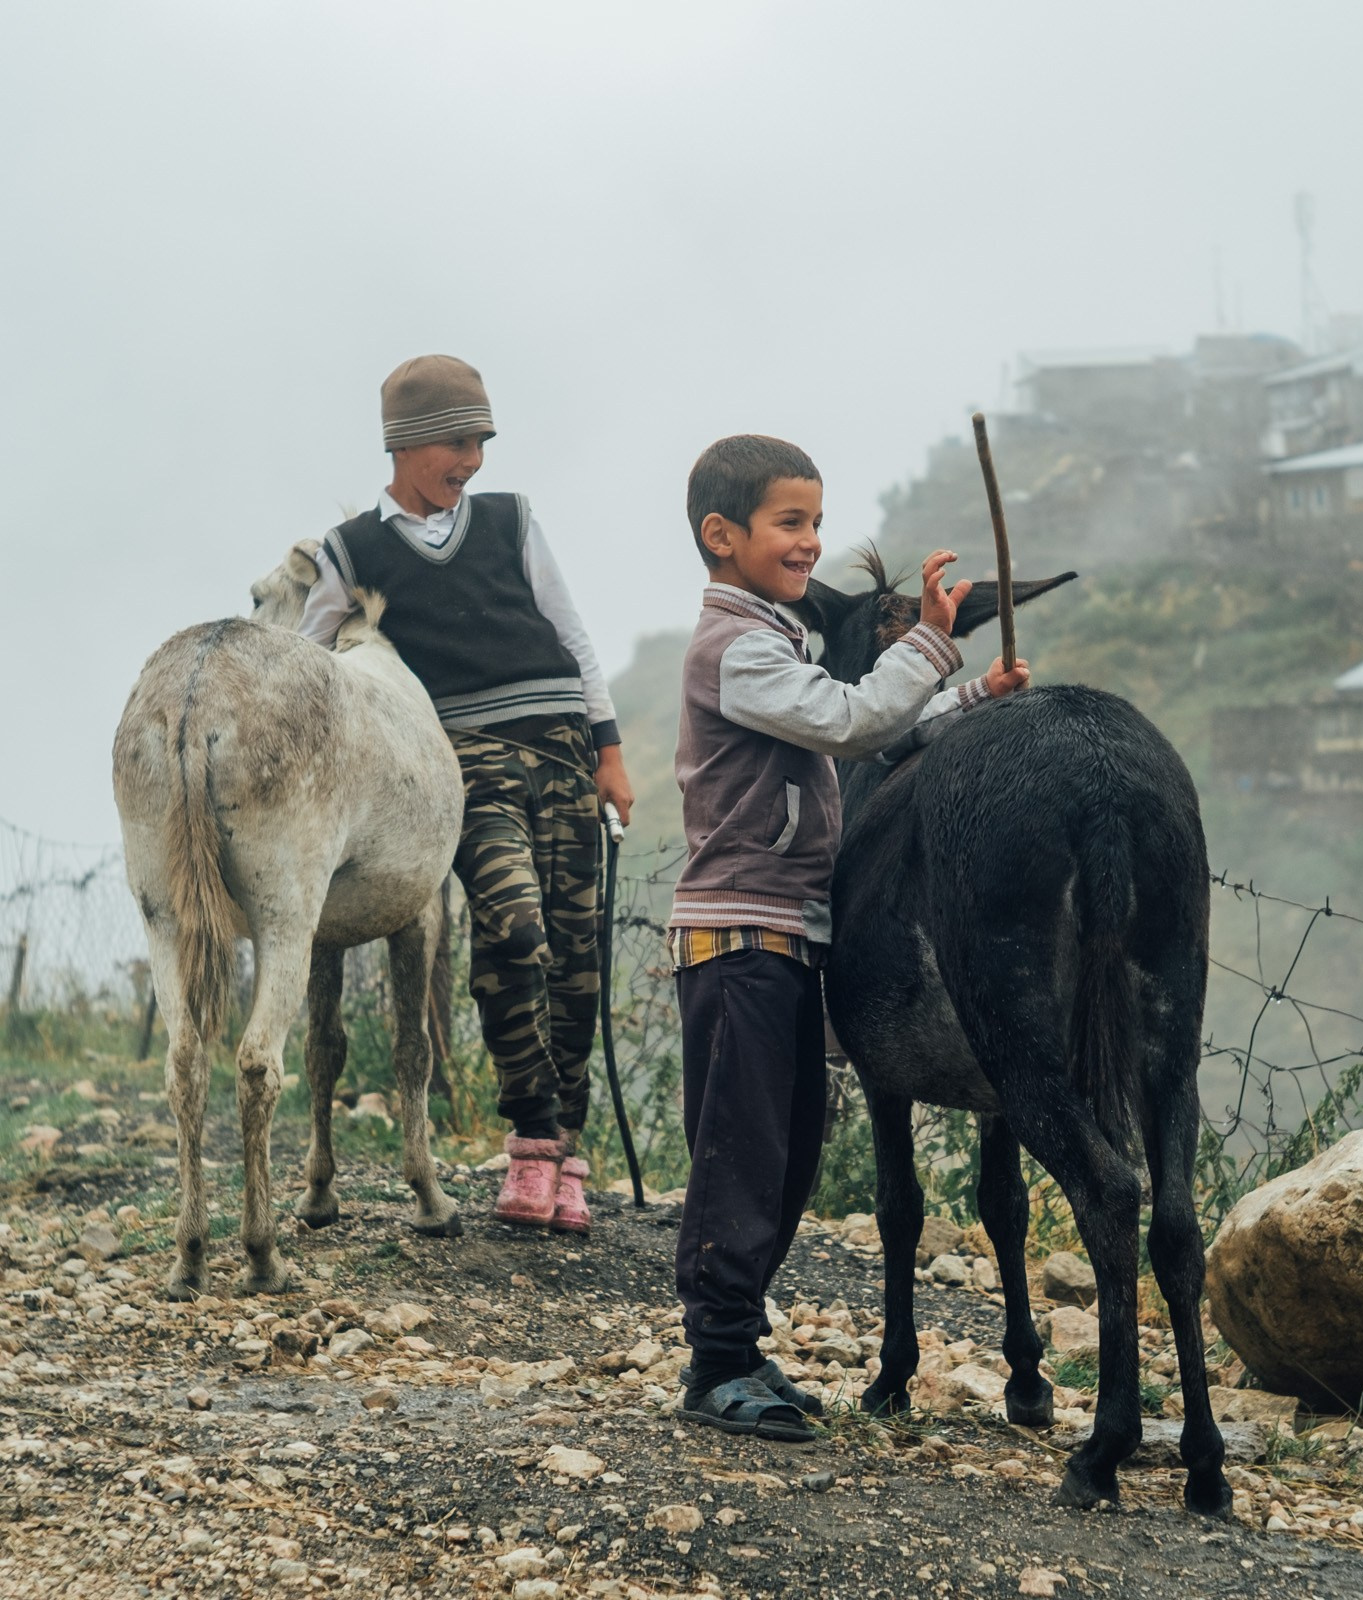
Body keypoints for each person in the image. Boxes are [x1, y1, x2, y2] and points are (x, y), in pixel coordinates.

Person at [669, 434, 1028, 1438]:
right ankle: (712, 1363)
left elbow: (866, 723)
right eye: (791, 522)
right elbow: (853, 722)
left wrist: (966, 699)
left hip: (785, 936)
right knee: (739, 1151)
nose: (809, 541)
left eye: (816, 522)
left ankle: (736, 1346)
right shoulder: (734, 650)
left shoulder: (773, 642)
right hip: (737, 939)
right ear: (720, 535)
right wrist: (925, 644)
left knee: (782, 1155)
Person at [298, 354, 635, 1233]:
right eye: (458, 440)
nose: (473, 458)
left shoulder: (510, 519)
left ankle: (566, 1152)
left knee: (574, 959)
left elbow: (573, 634)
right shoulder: (353, 551)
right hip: (465, 763)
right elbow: (310, 669)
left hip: (562, 745)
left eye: (482, 440)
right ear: (406, 443)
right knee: (513, 931)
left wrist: (610, 748)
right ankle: (530, 1137)